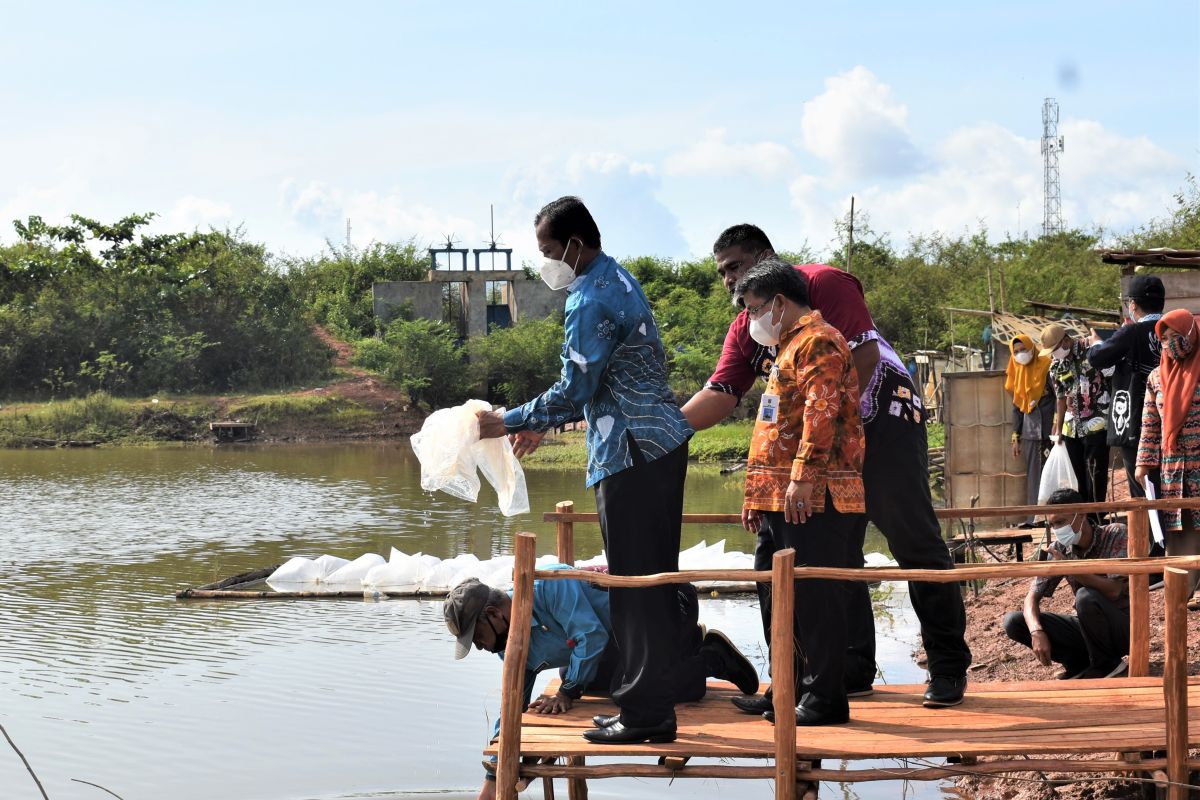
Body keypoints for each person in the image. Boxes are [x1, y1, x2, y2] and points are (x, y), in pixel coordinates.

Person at [682, 224, 971, 710]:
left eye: (736, 267)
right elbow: (722, 394)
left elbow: (862, 355)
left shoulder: (823, 287)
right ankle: (833, 676)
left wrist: (815, 454)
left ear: (766, 258)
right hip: (816, 448)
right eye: (723, 273)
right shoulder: (750, 325)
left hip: (881, 423)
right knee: (821, 554)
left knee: (912, 539)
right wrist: (661, 434)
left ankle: (947, 666)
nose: (729, 281)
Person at [477, 196, 693, 745]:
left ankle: (646, 715)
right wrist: (542, 423)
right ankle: (650, 703)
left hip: (630, 451)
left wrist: (508, 420)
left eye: (548, 250)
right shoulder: (617, 279)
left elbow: (577, 387)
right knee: (650, 582)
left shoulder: (588, 299)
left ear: (574, 244)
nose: (546, 261)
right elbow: (596, 385)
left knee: (632, 585)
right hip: (658, 444)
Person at [444, 572, 758, 800]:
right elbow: (513, 702)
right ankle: (685, 651)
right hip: (625, 640)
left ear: (493, 614)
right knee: (587, 676)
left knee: (631, 688)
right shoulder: (508, 643)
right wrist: (494, 772)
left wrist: (568, 691)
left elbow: (591, 637)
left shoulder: (548, 587)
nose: (483, 648)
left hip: (667, 608)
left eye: (478, 638)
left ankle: (708, 658)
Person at [735, 258, 864, 726]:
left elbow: (821, 411)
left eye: (753, 309)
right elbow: (772, 425)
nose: (751, 321)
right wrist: (757, 493)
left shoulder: (818, 341)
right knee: (776, 597)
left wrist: (802, 477)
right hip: (780, 496)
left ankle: (825, 698)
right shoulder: (789, 347)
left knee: (815, 597)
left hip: (815, 495)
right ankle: (785, 691)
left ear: (780, 303)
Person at [1001, 488, 1130, 680]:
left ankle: (1107, 665)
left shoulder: (1115, 534)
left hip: (1123, 627)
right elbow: (1032, 597)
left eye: (1061, 522)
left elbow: (1114, 591)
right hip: (1087, 627)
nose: (1057, 530)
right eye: (1052, 524)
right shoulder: (1061, 548)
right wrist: (1036, 631)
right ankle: (1079, 663)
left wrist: (1071, 569)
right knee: (1014, 622)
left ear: (1082, 514)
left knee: (1085, 596)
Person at [1135, 308, 1200, 604]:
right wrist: (1143, 464)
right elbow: (1150, 425)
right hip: (1174, 472)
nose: (1171, 343)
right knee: (1181, 535)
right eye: (1165, 339)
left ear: (1191, 333)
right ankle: (1181, 597)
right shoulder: (1155, 379)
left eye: (1177, 336)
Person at [1086, 275, 1165, 498]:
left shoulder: (1131, 332)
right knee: (1167, 484)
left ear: (1132, 304)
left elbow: (1098, 358)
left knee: (1141, 487)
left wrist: (1096, 344)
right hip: (1171, 419)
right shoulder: (1173, 328)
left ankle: (1148, 533)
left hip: (1136, 421)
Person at [1040, 322, 1111, 505]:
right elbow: (1060, 397)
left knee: (1095, 474)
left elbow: (1110, 372)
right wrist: (1058, 429)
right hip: (1071, 428)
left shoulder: (1091, 348)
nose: (1053, 355)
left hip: (1096, 423)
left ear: (1066, 341)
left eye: (1054, 349)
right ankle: (1084, 521)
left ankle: (1096, 518)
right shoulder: (1056, 365)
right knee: (1077, 475)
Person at [1005, 334, 1055, 527]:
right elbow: (1017, 408)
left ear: (1031, 348)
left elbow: (1059, 395)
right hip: (1030, 433)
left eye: (1023, 350)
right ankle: (1035, 517)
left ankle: (1055, 516)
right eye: (1016, 352)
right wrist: (1015, 437)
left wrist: (1058, 423)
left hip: (1052, 431)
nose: (1020, 355)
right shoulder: (1016, 373)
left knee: (1053, 474)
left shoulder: (1046, 366)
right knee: (1034, 476)